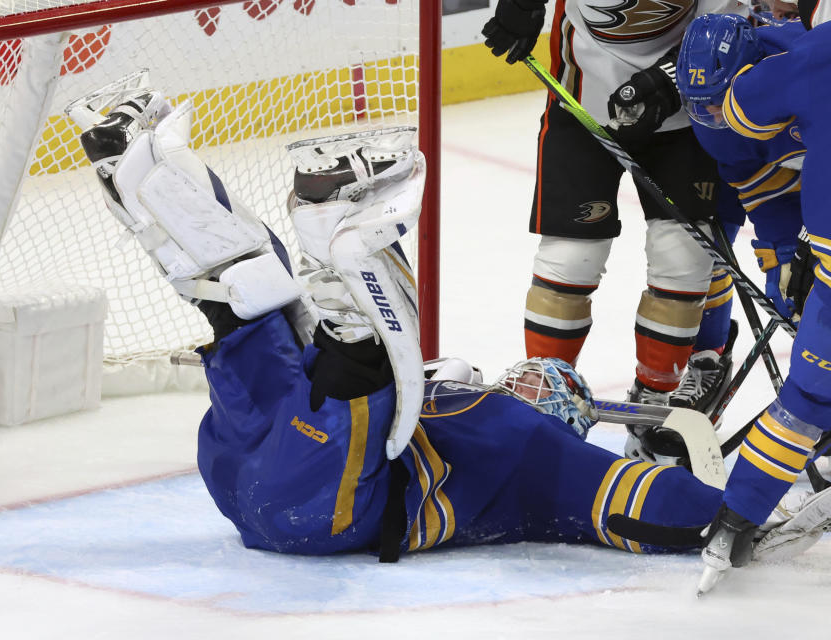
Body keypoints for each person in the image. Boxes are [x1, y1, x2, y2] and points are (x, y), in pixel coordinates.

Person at [74, 91, 831, 569]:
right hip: (252, 463)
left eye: (549, 388)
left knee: (355, 381)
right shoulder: (475, 402)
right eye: (538, 376)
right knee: (255, 302)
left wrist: (743, 521)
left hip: (318, 508)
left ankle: (347, 296)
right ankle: (150, 187)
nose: (529, 381)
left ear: (559, 415)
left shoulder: (542, 454)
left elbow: (641, 499)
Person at [481, 0, 746, 466]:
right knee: (568, 258)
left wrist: (670, 76)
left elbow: (734, 20)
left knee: (682, 260)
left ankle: (655, 410)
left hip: (688, 110)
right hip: (581, 99)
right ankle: (548, 398)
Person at [674, 6, 831, 590]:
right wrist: (784, 257)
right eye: (700, 107)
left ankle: (742, 510)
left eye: (719, 102)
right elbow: (761, 191)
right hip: (813, 217)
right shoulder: (718, 117)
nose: (712, 117)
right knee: (810, 389)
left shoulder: (794, 59)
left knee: (810, 393)